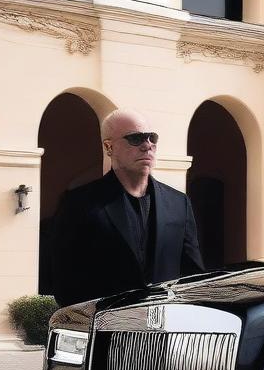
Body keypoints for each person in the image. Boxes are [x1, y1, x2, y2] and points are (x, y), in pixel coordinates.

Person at [50, 109, 204, 306]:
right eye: (135, 138)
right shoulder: (79, 204)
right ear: (109, 147)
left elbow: (194, 275)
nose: (147, 145)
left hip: (167, 328)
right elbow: (64, 281)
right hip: (107, 328)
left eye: (152, 138)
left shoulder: (179, 203)